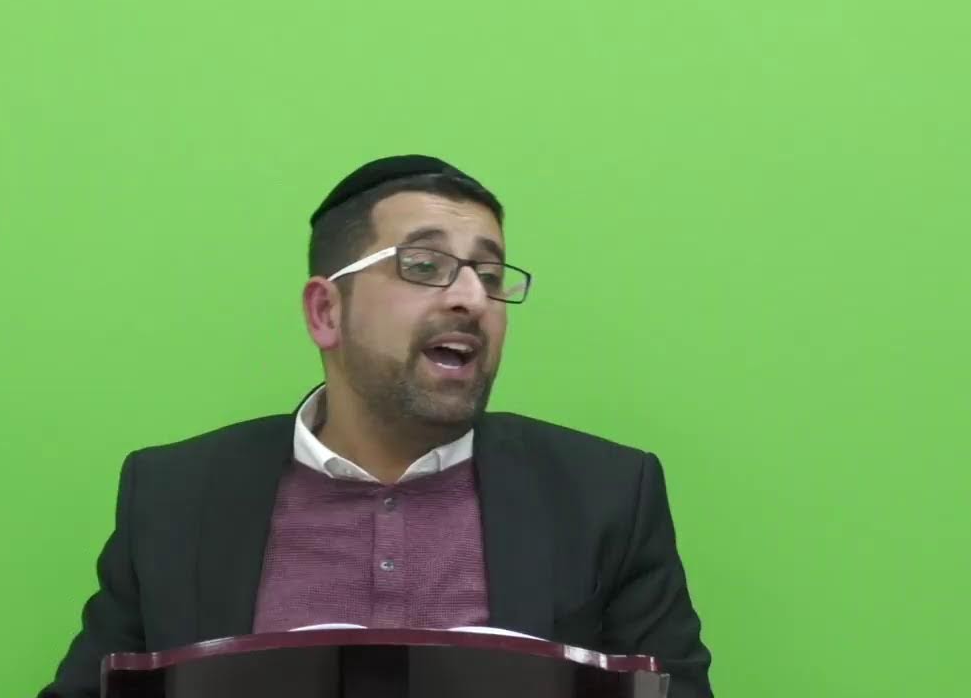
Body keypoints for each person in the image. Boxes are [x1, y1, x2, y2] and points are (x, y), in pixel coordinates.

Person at [38, 155, 713, 697]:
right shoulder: (174, 497)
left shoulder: (605, 495)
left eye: (489, 273)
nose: (472, 298)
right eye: (424, 266)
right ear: (325, 312)